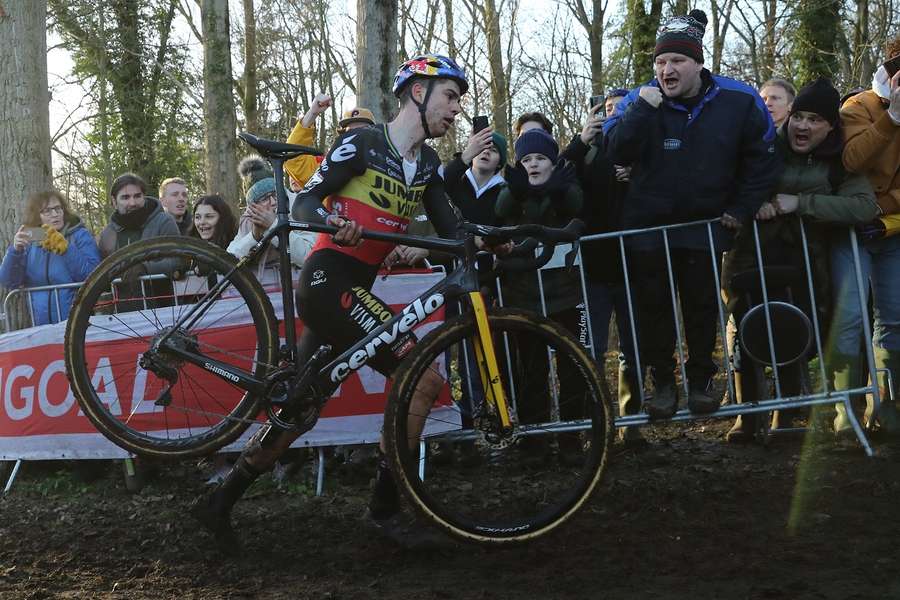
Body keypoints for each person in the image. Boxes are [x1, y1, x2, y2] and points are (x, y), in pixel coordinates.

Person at [192, 54, 467, 546]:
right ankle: (385, 512)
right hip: (327, 281)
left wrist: (507, 237)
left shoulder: (426, 164)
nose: (456, 110)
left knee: (297, 408)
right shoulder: (363, 142)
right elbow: (304, 201)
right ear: (419, 93)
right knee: (421, 381)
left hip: (350, 291)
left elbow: (454, 230)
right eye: (450, 96)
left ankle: (220, 501)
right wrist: (331, 221)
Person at [603, 9, 780, 419]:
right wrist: (643, 111)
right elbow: (615, 151)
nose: (667, 69)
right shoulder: (639, 99)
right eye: (661, 62)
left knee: (701, 308)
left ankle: (701, 380)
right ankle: (662, 382)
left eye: (677, 61)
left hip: (705, 227)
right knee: (654, 309)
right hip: (648, 229)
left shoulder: (738, 99)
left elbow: (763, 160)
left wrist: (741, 207)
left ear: (698, 63)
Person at [722, 78, 879, 442]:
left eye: (815, 120)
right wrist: (751, 202)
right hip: (752, 253)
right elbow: (730, 181)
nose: (803, 126)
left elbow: (863, 206)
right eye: (799, 117)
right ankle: (747, 417)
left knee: (795, 325)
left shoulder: (840, 161)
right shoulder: (763, 147)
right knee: (746, 324)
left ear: (830, 126)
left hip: (806, 258)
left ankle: (787, 415)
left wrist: (801, 204)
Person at [494, 128, 586, 463]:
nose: (533, 164)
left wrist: (553, 191)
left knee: (572, 368)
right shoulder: (513, 189)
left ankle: (572, 438)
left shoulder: (567, 183)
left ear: (553, 161)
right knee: (531, 370)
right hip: (524, 295)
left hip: (566, 293)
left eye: (541, 159)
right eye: (527, 159)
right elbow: (502, 209)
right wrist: (521, 192)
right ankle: (535, 440)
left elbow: (577, 206)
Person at [561, 95, 642, 445]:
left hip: (633, 267)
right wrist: (582, 139)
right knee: (589, 350)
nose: (612, 115)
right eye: (606, 109)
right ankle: (594, 425)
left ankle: (632, 425)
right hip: (592, 270)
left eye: (620, 108)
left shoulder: (640, 146)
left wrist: (637, 175)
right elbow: (558, 172)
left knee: (633, 350)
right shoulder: (586, 153)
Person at [830, 35, 900, 435]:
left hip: (890, 230)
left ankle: (884, 408)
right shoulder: (857, 107)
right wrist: (893, 119)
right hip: (851, 231)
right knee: (850, 318)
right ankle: (846, 414)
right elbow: (852, 160)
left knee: (893, 319)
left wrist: (883, 207)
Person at [0, 190, 101, 326]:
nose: (55, 214)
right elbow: (10, 281)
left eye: (58, 208)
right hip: (40, 325)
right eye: (47, 211)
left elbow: (92, 275)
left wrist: (67, 250)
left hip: (77, 323)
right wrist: (15, 251)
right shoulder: (31, 239)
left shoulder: (79, 235)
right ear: (37, 216)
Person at [228, 156, 315, 268]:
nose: (273, 202)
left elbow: (309, 256)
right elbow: (229, 258)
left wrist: (273, 226)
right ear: (253, 206)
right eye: (264, 198)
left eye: (276, 194)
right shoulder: (249, 219)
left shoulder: (301, 207)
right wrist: (254, 236)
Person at [98, 173, 180, 258]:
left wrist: (144, 267)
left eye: (137, 196)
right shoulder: (107, 234)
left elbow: (177, 259)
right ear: (114, 202)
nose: (132, 203)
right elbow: (103, 268)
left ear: (144, 196)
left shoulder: (164, 222)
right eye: (125, 197)